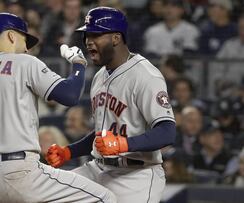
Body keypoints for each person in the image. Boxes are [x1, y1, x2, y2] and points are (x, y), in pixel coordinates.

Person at [0, 12, 116, 203]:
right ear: (12, 36)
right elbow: (70, 95)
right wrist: (79, 64)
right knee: (105, 198)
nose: (27, 49)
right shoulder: (24, 62)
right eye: (24, 41)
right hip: (20, 170)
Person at [46, 7, 176, 203]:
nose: (89, 41)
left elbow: (167, 132)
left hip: (136, 175)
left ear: (116, 38)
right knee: (46, 194)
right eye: (87, 35)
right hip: (98, 168)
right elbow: (103, 134)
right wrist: (69, 151)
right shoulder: (99, 76)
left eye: (96, 35)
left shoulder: (146, 75)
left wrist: (123, 144)